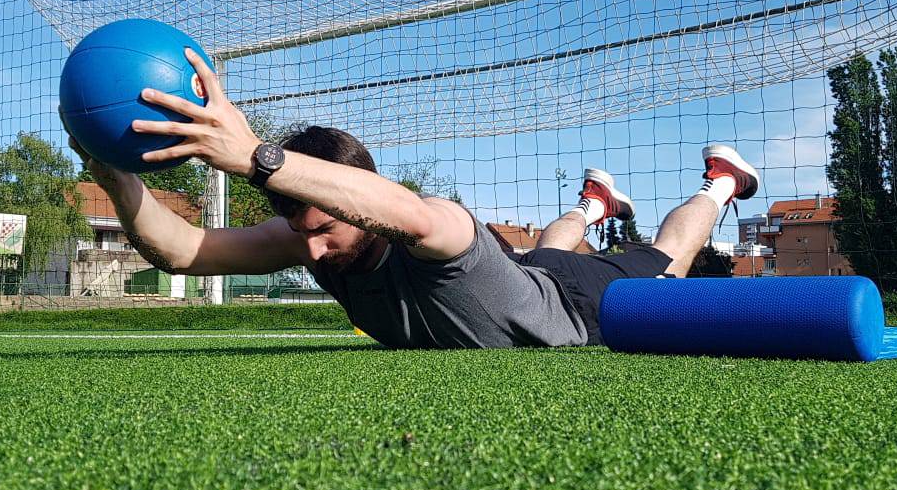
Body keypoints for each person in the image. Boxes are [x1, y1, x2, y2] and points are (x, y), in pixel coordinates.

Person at [70, 48, 759, 348]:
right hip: (527, 280)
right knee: (541, 258)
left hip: (586, 306)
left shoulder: (433, 234)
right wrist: (119, 180)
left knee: (667, 257)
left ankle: (719, 179)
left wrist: (255, 157)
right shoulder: (314, 237)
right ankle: (593, 204)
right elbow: (183, 251)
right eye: (302, 233)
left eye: (324, 231)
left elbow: (411, 213)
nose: (311, 252)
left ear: (359, 204)